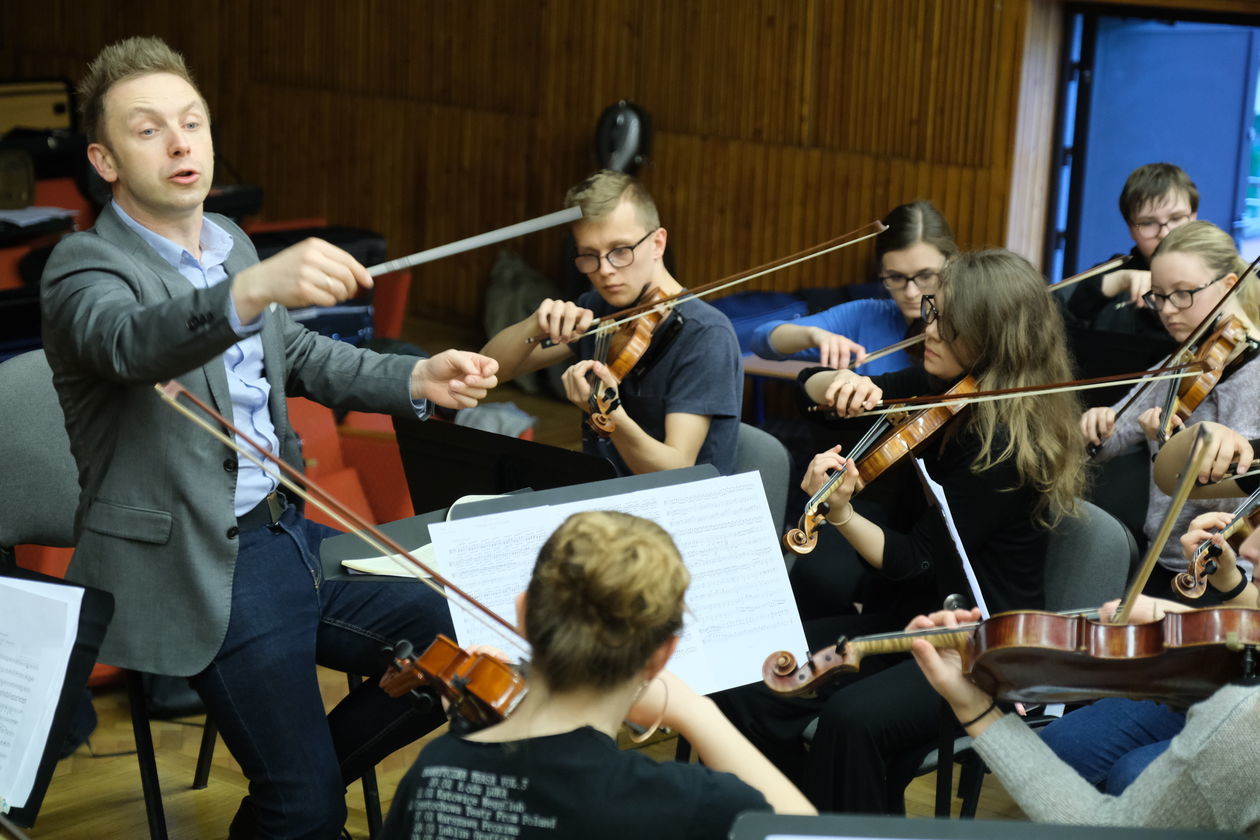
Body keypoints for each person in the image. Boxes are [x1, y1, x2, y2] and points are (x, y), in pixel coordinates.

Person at [40, 37, 499, 839]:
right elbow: (132, 344)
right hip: (202, 566)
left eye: (193, 123)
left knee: (463, 649)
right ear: (104, 160)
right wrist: (248, 291)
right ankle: (299, 803)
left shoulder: (228, 242)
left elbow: (301, 356)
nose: (182, 143)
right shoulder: (82, 267)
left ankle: (295, 799)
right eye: (148, 130)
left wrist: (416, 379)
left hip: (290, 537)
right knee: (308, 804)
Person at [716, 249, 1087, 813]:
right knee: (752, 671)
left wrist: (842, 514)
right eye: (934, 311)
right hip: (907, 618)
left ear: (992, 339)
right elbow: (812, 393)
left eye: (947, 322)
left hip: (981, 643)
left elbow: (915, 559)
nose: (927, 328)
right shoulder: (941, 385)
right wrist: (836, 385)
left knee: (852, 719)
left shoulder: (1007, 444)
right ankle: (796, 816)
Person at [380, 511, 815, 839]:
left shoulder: (435, 772)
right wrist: (696, 712)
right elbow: (810, 833)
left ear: (523, 613)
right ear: (661, 656)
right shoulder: (686, 803)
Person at [910, 593, 1260, 835]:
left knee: (1132, 774)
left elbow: (1106, 827)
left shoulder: (1242, 726)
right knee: (1064, 743)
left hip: (1241, 708)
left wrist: (974, 706)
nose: (1249, 545)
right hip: (1238, 674)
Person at [480, 170, 742, 477]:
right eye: (589, 255)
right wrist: (535, 325)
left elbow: (676, 471)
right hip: (603, 498)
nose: (604, 270)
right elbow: (489, 370)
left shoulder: (706, 335)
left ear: (657, 243)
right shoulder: (599, 310)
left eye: (620, 251)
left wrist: (607, 412)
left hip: (678, 515)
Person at [1080, 220, 1260, 600]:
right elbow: (1105, 442)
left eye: (1183, 294)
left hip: (1230, 580)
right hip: (1159, 563)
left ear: (1229, 285)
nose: (1167, 309)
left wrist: (1170, 446)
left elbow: (1241, 486)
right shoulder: (1176, 365)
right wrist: (1095, 424)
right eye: (1158, 295)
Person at [749, 200, 957, 374]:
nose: (911, 293)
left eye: (926, 275)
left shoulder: (969, 324)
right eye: (895, 277)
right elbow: (762, 339)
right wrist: (814, 334)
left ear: (951, 264)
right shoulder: (866, 316)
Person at [1064, 162, 1199, 339]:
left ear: (1193, 217)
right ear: (1130, 228)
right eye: (1148, 223)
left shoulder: (1217, 274)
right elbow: (1070, 310)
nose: (1164, 233)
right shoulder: (1117, 269)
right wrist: (1122, 280)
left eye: (1176, 218)